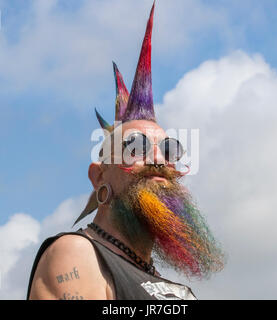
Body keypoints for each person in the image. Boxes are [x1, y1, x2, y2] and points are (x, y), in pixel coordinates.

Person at [27, 1, 224, 300]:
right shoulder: (78, 255)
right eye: (136, 147)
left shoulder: (174, 288)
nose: (159, 160)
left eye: (170, 150)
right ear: (99, 176)